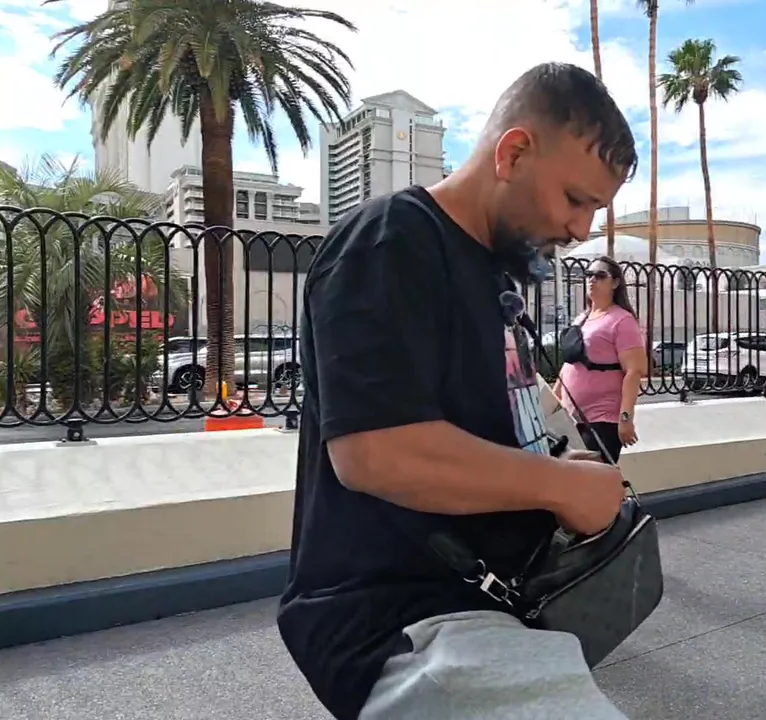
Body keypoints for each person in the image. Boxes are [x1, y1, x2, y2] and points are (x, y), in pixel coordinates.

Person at [277, 63, 639, 720]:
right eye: (575, 199)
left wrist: (557, 467)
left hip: (487, 603)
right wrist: (558, 487)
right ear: (513, 153)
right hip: (400, 620)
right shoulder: (389, 242)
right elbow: (375, 453)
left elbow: (479, 427)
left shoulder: (490, 271)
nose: (582, 229)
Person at [553, 255, 647, 462]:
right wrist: (553, 404)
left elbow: (634, 371)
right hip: (571, 419)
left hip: (602, 419)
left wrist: (625, 418)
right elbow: (569, 366)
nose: (592, 280)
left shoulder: (622, 320)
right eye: (589, 275)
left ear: (615, 283)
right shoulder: (582, 318)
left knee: (594, 476)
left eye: (600, 275)